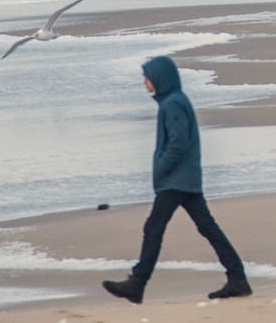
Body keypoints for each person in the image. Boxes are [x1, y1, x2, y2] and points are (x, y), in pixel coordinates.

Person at [102, 56, 251, 303]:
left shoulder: (172, 104)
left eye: (147, 78)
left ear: (160, 78)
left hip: (176, 180)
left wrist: (161, 168)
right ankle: (238, 278)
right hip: (185, 179)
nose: (144, 82)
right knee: (207, 227)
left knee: (154, 227)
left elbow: (178, 143)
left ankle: (137, 284)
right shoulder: (174, 101)